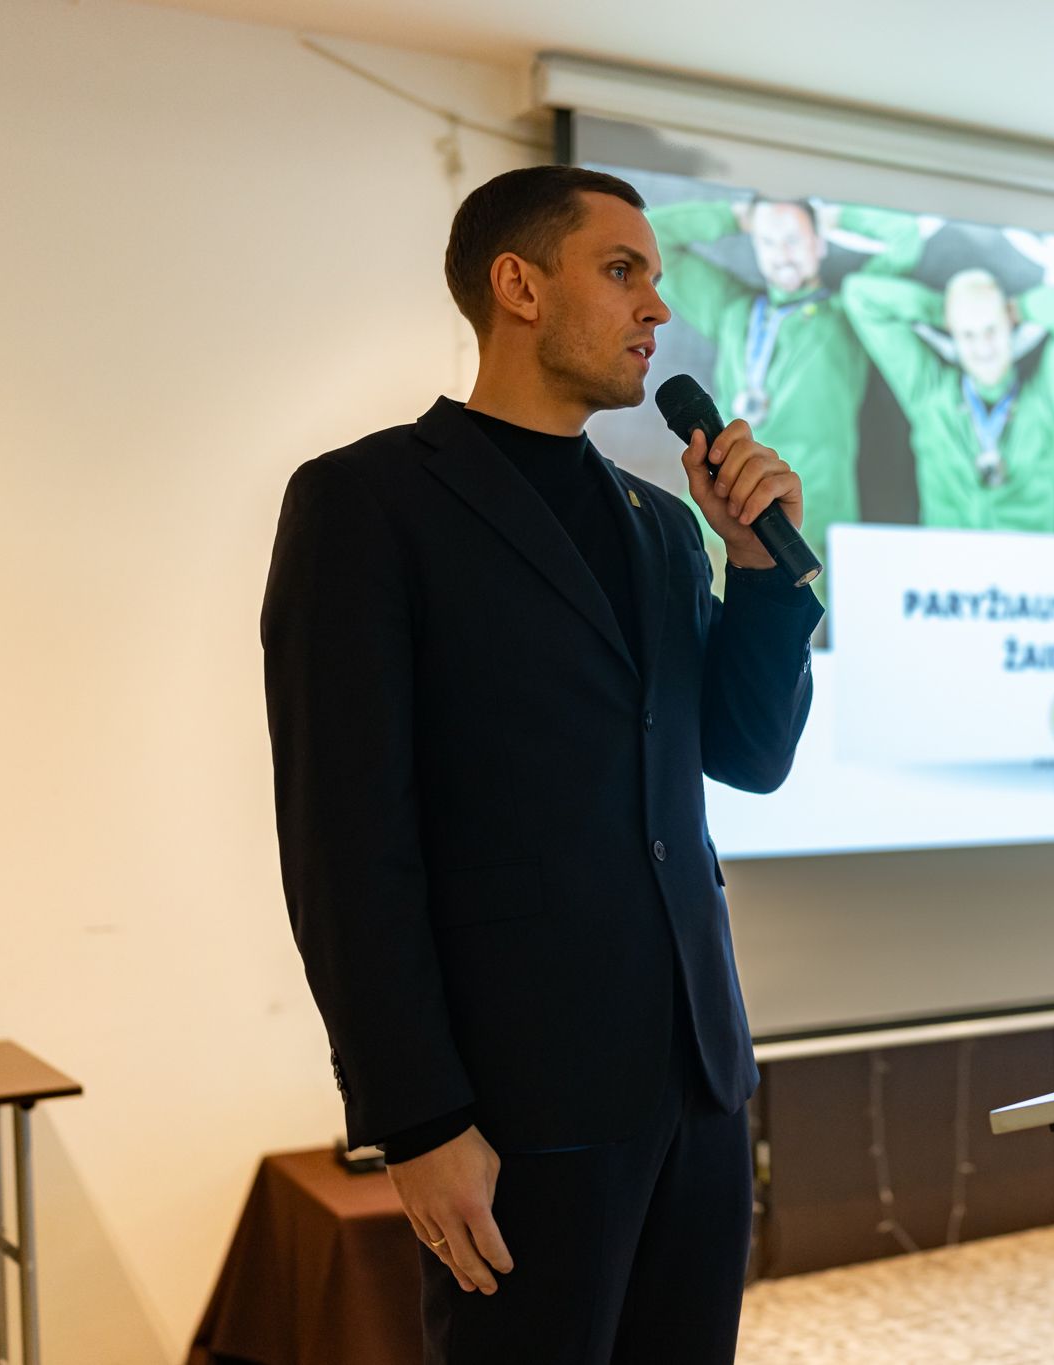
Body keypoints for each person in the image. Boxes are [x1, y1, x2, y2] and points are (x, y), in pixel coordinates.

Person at [260, 165, 821, 1365]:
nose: (655, 310)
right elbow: (345, 841)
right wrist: (416, 1120)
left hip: (694, 1085)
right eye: (621, 272)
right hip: (517, 1103)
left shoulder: (662, 525)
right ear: (517, 285)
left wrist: (764, 585)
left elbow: (748, 756)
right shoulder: (368, 505)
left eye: (658, 282)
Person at [647, 195, 927, 584]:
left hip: (805, 529)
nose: (782, 253)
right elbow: (653, 235)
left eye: (794, 239)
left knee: (792, 643)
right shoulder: (733, 310)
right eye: (768, 241)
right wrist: (737, 217)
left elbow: (905, 237)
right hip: (713, 524)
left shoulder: (847, 315)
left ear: (820, 242)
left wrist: (837, 214)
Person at [844, 267, 1054, 534]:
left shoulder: (1046, 403)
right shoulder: (929, 396)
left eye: (991, 328)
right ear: (953, 334)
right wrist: (946, 311)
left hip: (1033, 570)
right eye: (967, 334)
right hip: (951, 571)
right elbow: (859, 296)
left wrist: (1018, 308)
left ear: (1009, 325)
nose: (983, 347)